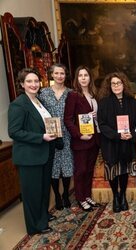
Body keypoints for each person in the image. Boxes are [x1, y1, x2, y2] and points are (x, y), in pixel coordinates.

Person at [8, 68, 58, 235]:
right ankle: (35, 226)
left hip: (43, 154)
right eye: (29, 81)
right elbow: (14, 132)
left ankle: (42, 216)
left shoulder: (38, 101)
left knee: (43, 189)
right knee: (32, 193)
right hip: (29, 157)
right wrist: (41, 137)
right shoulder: (18, 104)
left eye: (36, 81)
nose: (33, 84)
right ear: (22, 84)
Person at [97, 72, 136, 213]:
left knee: (124, 171)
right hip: (111, 142)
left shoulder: (132, 101)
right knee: (113, 172)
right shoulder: (103, 102)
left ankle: (123, 196)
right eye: (113, 83)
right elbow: (101, 124)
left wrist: (130, 134)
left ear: (124, 84)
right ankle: (115, 196)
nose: (116, 86)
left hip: (127, 141)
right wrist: (117, 135)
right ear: (109, 85)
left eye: (118, 83)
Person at [64, 65, 100, 212]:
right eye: (80, 75)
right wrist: (79, 135)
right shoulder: (73, 95)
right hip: (81, 140)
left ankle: (87, 195)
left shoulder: (93, 94)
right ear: (77, 78)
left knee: (90, 170)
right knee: (81, 170)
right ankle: (80, 198)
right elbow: (67, 119)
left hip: (94, 138)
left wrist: (97, 115)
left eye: (86, 75)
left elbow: (94, 114)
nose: (83, 78)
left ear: (90, 77)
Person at [39, 63, 73, 210]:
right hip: (51, 135)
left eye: (62, 73)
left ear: (65, 75)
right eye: (57, 73)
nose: (60, 76)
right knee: (53, 167)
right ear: (52, 75)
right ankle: (57, 196)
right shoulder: (43, 93)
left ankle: (65, 194)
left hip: (67, 134)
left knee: (67, 166)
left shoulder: (71, 93)